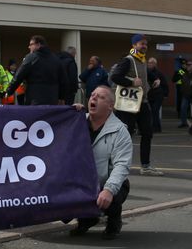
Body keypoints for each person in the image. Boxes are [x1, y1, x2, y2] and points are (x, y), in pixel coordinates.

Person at [69, 86, 131, 240]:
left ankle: (114, 220)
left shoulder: (120, 131)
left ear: (110, 106)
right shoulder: (77, 122)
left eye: (100, 97)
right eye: (92, 95)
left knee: (111, 195)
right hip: (82, 181)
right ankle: (88, 218)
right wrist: (69, 115)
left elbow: (122, 165)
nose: (93, 98)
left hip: (106, 182)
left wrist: (109, 190)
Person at [110, 34, 163, 176]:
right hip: (128, 104)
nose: (144, 46)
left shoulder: (142, 60)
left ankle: (145, 166)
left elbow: (144, 74)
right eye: (141, 43)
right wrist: (131, 82)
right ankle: (116, 164)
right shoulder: (128, 60)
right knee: (125, 135)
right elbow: (115, 77)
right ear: (134, 45)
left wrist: (155, 78)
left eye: (146, 43)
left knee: (147, 133)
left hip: (142, 103)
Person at [5, 35, 67, 105]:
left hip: (34, 99)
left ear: (38, 45)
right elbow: (63, 81)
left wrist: (9, 91)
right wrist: (61, 97)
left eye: (31, 44)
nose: (29, 47)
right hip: (52, 100)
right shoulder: (56, 60)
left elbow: (19, 75)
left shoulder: (31, 58)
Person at [146, 57, 168, 133]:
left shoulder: (159, 73)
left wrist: (165, 94)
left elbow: (165, 84)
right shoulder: (146, 72)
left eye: (151, 63)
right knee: (152, 111)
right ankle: (156, 127)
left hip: (158, 95)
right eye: (148, 63)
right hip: (150, 95)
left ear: (155, 64)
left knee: (155, 111)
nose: (149, 64)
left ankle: (156, 128)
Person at [178, 61, 192, 128]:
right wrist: (182, 91)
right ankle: (184, 122)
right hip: (185, 94)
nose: (188, 66)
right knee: (183, 108)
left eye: (190, 65)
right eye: (187, 65)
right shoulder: (184, 74)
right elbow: (182, 83)